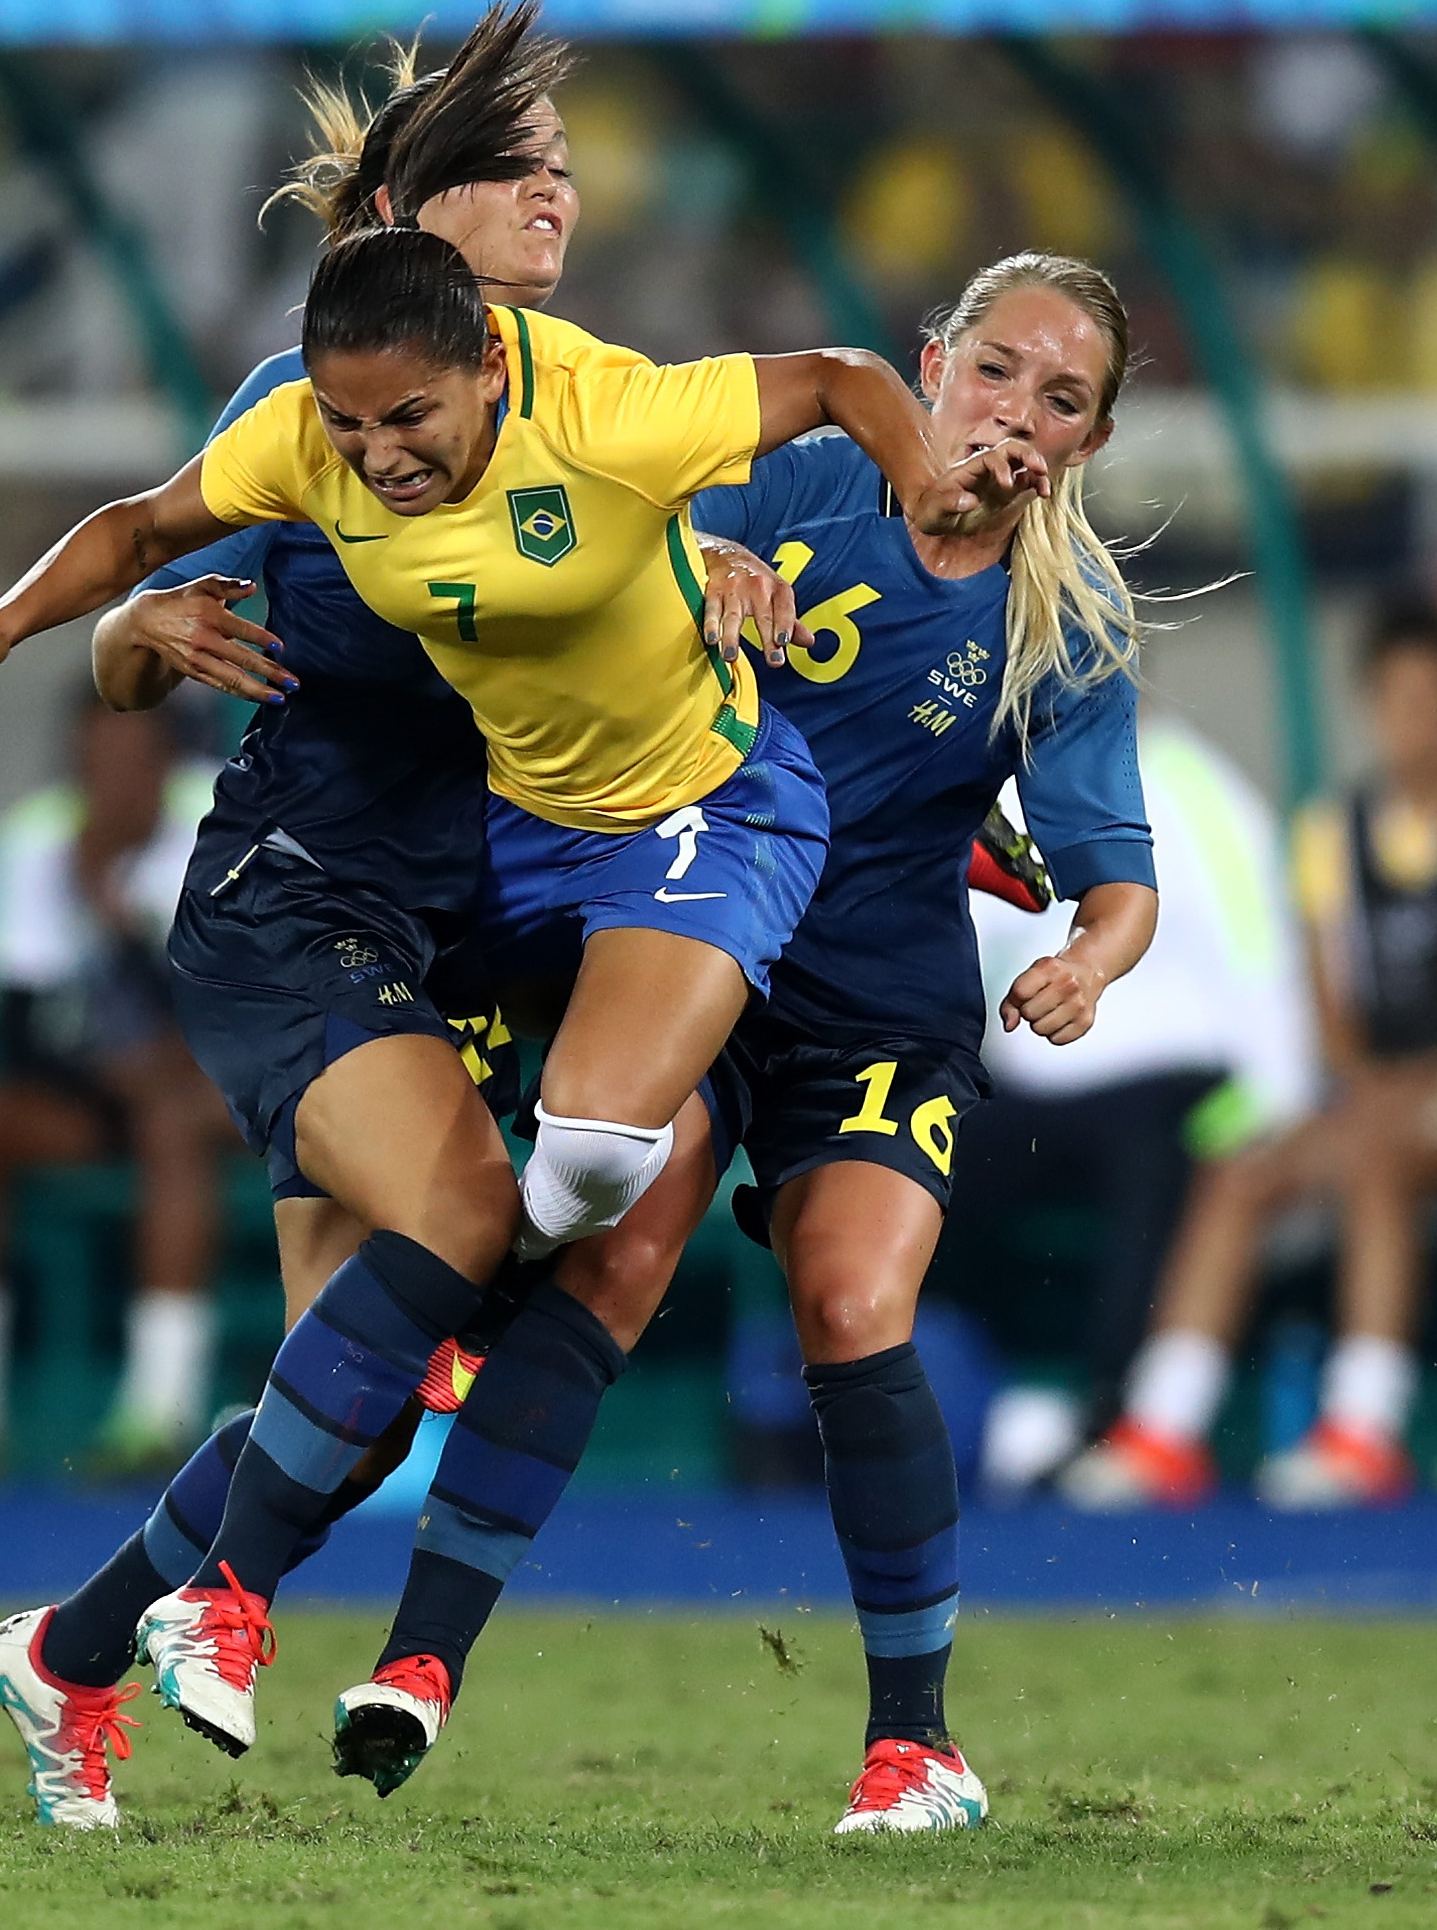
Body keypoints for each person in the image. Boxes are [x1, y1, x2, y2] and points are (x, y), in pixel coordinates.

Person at [0, 6, 1047, 1766]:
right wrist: (90, 633)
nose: (555, 198)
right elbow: (152, 565)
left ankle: (141, 1641)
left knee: (432, 1304)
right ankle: (169, 1613)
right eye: (511, 173)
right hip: (316, 895)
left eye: (563, 171)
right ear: (406, 218)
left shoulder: (578, 398)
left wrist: (935, 787)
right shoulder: (323, 412)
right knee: (412, 1299)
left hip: (497, 894)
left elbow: (718, 537)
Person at [319, 253, 1158, 1835]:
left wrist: (1088, 962)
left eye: (1060, 401)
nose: (1015, 418)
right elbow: (608, 533)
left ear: (1089, 443)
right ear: (931, 364)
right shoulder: (799, 477)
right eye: (993, 373)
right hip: (700, 949)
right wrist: (699, 562)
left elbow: (1117, 880)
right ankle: (415, 1665)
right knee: (615, 1256)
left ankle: (915, 1747)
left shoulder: (1072, 620)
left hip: (877, 1003)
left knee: (848, 1302)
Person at [1065, 597, 1437, 1510]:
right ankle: (1165, 1425)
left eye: (1429, 702)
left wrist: (1432, 1085)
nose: (1409, 725)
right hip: (1374, 1095)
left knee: (1375, 1159)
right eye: (1393, 702)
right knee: (1241, 1168)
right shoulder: (1329, 837)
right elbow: (1327, 999)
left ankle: (1364, 1425)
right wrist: (1360, 1082)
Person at [907, 709, 1312, 1509]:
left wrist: (1279, 1098)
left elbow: (1258, 942)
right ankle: (933, 1403)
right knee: (905, 1166)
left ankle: (1114, 1415)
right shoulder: (1003, 781)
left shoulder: (1197, 784)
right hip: (1032, 1087)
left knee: (1151, 1168)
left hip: (1171, 1083)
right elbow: (966, 937)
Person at [0, 692, 232, 1481]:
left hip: (218, 1085)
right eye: (91, 763)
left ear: (164, 764)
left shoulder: (217, 823)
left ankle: (160, 1410)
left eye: (129, 763)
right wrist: (106, 1069)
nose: (110, 784)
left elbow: (230, 1009)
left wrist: (116, 919)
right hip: (100, 1089)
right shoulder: (36, 841)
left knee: (172, 1120)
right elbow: (18, 1027)